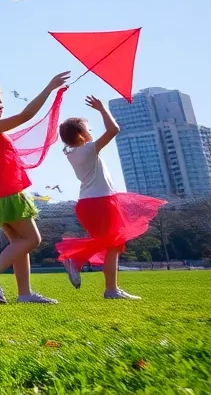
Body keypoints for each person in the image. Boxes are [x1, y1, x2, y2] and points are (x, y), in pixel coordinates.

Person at [0, 72, 70, 304]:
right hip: (6, 190)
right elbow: (26, 115)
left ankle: (25, 294)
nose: (1, 106)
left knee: (19, 243)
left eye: (1, 101)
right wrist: (49, 87)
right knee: (32, 239)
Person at [56, 96, 165, 300]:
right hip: (101, 202)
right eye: (88, 129)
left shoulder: (73, 154)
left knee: (111, 244)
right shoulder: (88, 149)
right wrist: (102, 109)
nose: (91, 133)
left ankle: (85, 267)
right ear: (80, 135)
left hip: (89, 204)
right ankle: (105, 285)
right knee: (113, 244)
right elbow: (114, 130)